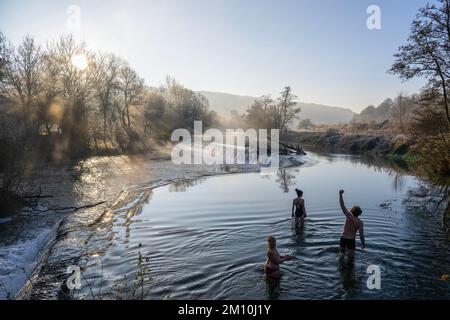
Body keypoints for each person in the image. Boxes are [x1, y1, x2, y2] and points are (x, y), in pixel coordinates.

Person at [338, 190, 365, 257]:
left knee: (341, 255)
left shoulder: (348, 216)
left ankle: (340, 265)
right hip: (351, 240)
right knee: (351, 258)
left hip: (343, 238)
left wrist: (340, 194)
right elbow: (361, 235)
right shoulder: (360, 223)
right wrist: (363, 244)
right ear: (359, 213)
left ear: (352, 211)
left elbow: (342, 205)